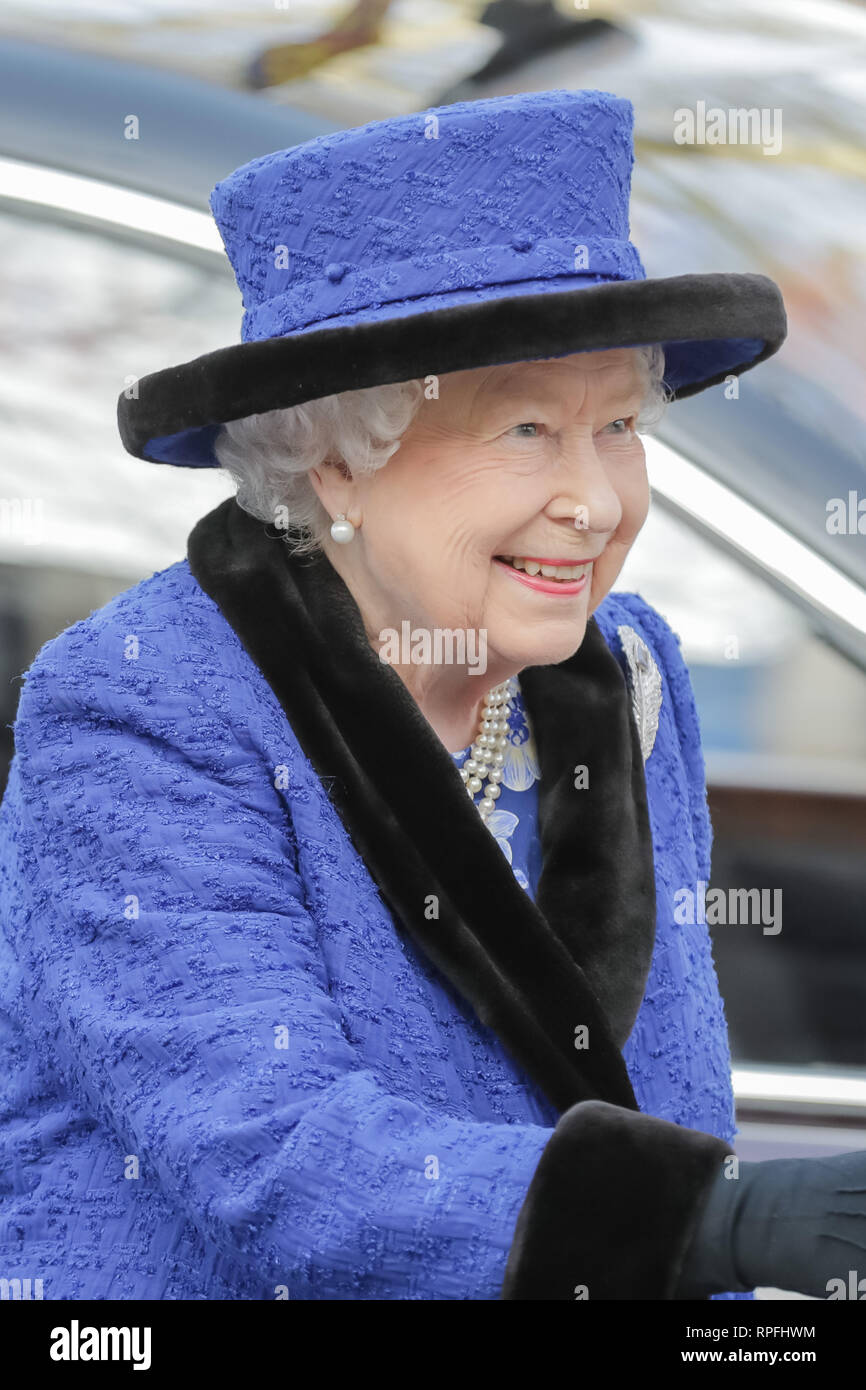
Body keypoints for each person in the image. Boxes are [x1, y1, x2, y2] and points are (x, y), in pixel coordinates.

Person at [1, 87, 859, 1302]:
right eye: (524, 430)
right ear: (338, 455)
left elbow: (665, 1096)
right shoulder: (144, 705)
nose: (598, 499)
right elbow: (275, 1161)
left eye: (617, 423)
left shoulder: (629, 674)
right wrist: (709, 1222)